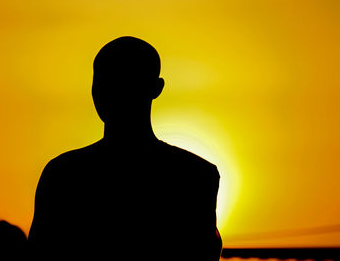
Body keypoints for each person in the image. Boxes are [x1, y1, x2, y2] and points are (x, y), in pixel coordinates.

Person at [28, 36, 222, 260]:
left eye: (124, 81)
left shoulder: (64, 173)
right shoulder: (195, 174)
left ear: (155, 88)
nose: (107, 92)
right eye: (102, 80)